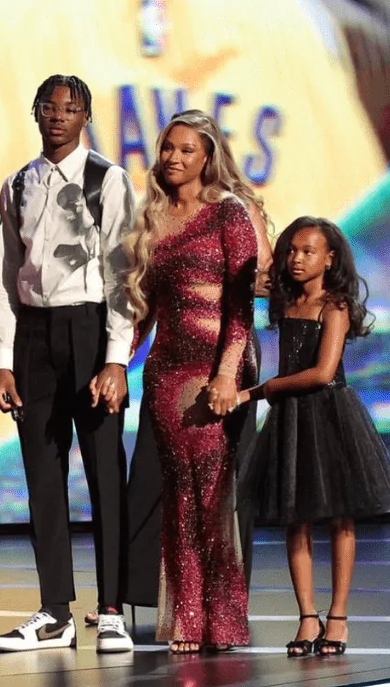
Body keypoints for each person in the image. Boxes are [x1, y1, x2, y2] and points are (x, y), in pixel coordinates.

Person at [0, 75, 136, 654]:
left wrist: (116, 360)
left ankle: (112, 610)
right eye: (48, 107)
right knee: (42, 478)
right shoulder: (16, 185)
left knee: (105, 474)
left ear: (85, 116)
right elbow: (6, 278)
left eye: (70, 108)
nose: (57, 116)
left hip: (89, 329)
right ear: (35, 112)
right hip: (33, 336)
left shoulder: (107, 179)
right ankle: (55, 612)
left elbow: (123, 274)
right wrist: (3, 361)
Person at [119, 111, 274, 616]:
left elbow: (246, 298)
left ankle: (222, 609)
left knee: (218, 490)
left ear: (208, 157)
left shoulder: (231, 210)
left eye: (187, 150)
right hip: (167, 366)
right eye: (168, 148)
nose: (174, 158)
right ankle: (159, 602)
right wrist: (116, 363)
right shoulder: (152, 216)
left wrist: (227, 373)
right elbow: (144, 306)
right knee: (159, 484)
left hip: (224, 360)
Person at [238, 217, 390, 657]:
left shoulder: (334, 306)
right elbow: (247, 277)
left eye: (308, 251)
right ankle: (307, 615)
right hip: (291, 419)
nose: (297, 258)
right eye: (292, 250)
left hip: (330, 416)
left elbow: (323, 372)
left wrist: (261, 390)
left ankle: (337, 616)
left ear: (330, 258)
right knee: (295, 518)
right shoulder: (286, 303)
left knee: (341, 518)